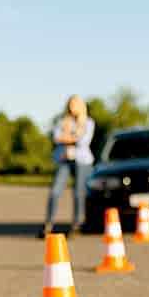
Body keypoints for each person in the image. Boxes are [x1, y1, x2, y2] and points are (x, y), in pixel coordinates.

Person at [43, 96, 95, 236]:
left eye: (75, 104)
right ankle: (48, 224)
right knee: (55, 191)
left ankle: (76, 224)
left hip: (82, 160)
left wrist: (67, 138)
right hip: (64, 159)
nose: (72, 107)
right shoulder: (62, 122)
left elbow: (84, 141)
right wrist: (74, 138)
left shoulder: (88, 123)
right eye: (70, 105)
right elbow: (56, 137)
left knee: (79, 193)